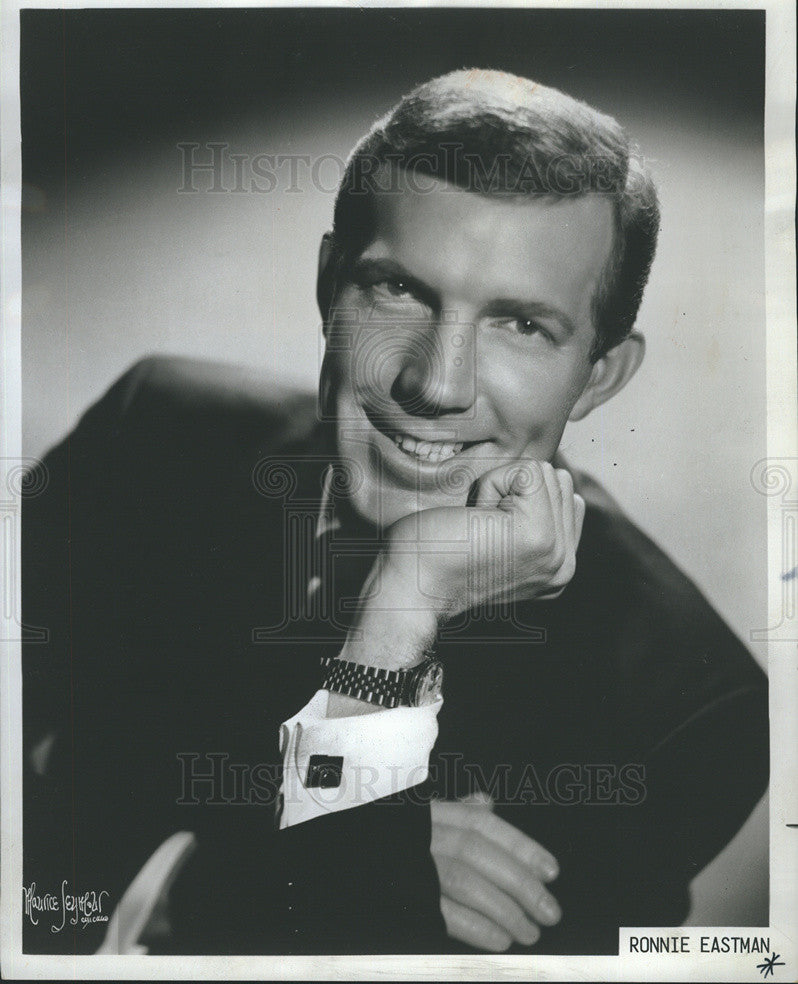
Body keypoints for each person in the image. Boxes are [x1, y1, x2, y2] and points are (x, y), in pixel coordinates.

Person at [22, 69, 768, 956]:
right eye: (399, 292)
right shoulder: (154, 431)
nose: (434, 384)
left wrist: (401, 603)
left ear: (599, 375)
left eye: (520, 325)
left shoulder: (682, 709)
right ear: (329, 282)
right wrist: (235, 860)